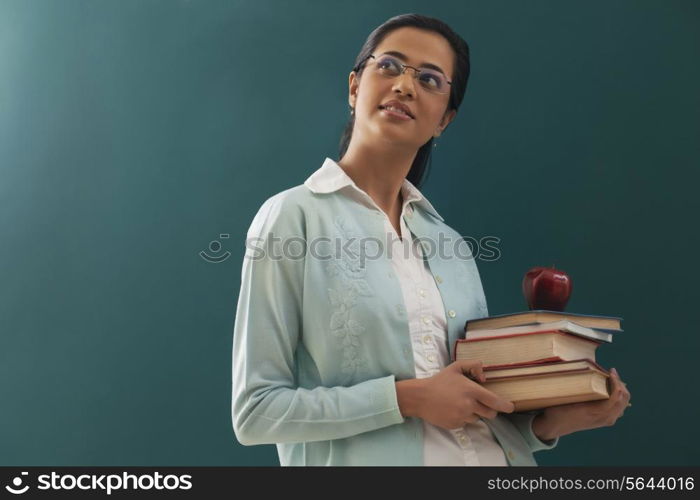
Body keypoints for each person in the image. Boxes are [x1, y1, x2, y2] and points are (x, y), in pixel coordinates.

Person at [231, 13, 631, 466]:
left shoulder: (450, 245)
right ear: (354, 87)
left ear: (445, 119)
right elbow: (256, 412)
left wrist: (549, 425)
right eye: (389, 66)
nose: (404, 85)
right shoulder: (292, 217)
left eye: (429, 78)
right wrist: (409, 398)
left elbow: (470, 409)